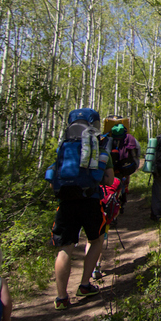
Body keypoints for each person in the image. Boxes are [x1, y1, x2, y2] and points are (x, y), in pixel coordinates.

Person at [50, 110, 114, 310]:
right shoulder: (98, 144)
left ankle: (61, 297)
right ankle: (85, 284)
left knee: (65, 247)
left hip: (66, 201)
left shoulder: (64, 146)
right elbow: (109, 180)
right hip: (89, 200)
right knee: (96, 240)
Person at [109, 123, 140, 213]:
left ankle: (114, 205)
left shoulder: (109, 139)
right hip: (127, 166)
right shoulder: (130, 138)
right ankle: (122, 203)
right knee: (124, 183)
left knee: (114, 185)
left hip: (114, 167)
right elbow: (138, 151)